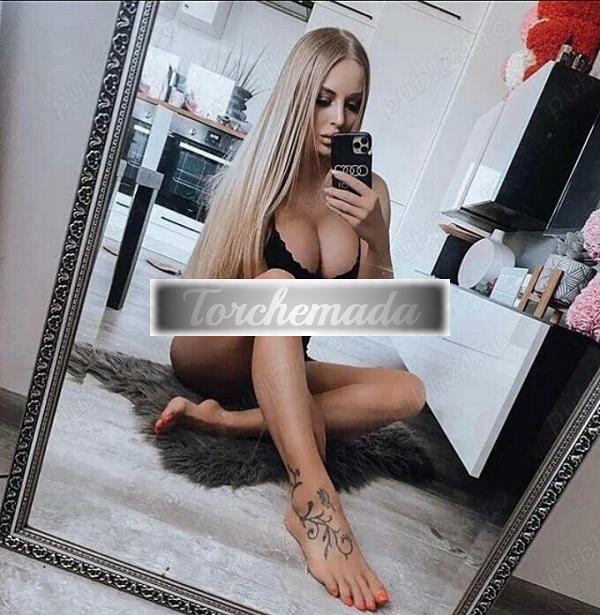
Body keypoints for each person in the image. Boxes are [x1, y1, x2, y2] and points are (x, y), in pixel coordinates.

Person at [154, 27, 427, 612]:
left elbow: (366, 315)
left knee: (407, 391)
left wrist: (376, 236)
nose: (338, 119)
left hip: (282, 359)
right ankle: (312, 498)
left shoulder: (370, 190)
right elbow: (220, 296)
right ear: (298, 95)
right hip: (216, 344)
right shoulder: (262, 174)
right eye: (323, 100)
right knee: (278, 284)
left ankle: (230, 422)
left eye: (352, 104)